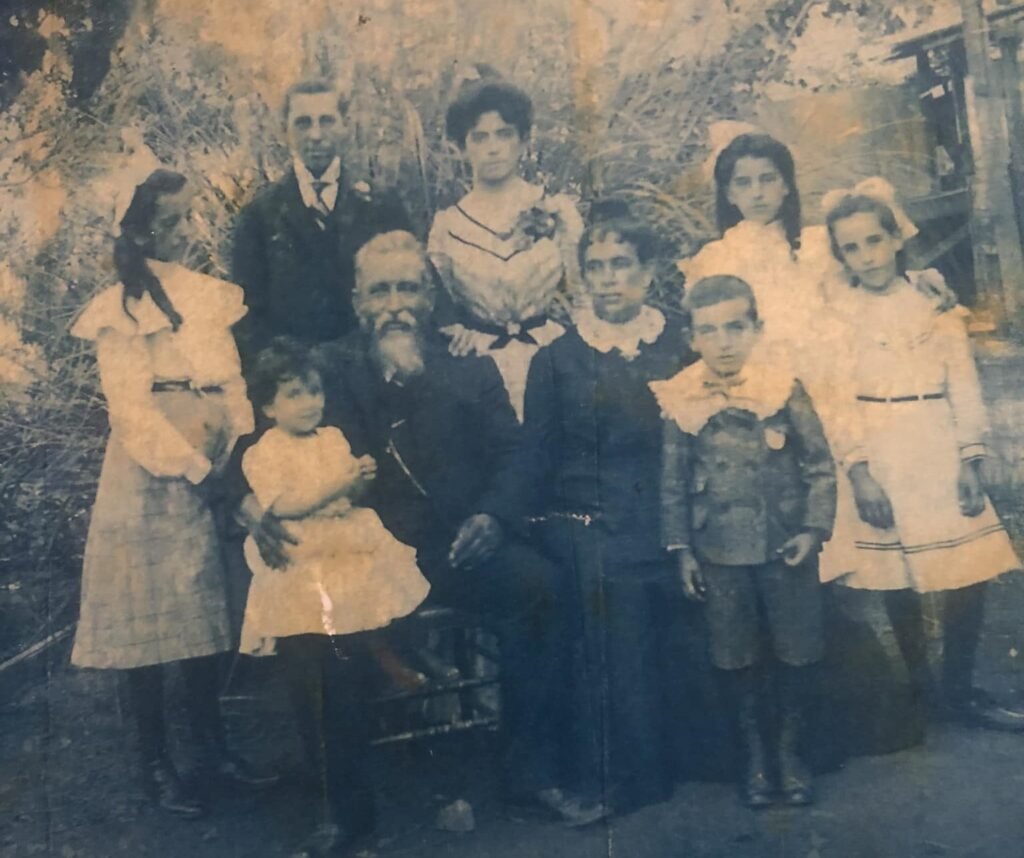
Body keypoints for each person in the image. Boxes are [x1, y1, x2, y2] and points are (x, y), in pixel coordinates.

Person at [242, 230, 604, 856]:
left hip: (454, 549)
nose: (395, 303)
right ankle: (345, 810)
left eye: (408, 287)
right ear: (357, 299)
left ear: (429, 296)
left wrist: (494, 516)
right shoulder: (323, 368)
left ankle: (529, 774)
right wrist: (247, 505)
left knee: (541, 588)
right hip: (361, 557)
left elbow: (516, 454)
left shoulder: (466, 364)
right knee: (316, 627)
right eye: (379, 289)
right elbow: (254, 446)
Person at [69, 169, 275, 820]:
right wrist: (192, 467)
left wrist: (238, 445)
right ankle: (156, 765)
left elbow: (229, 381)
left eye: (192, 218)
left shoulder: (210, 296)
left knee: (201, 618)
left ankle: (213, 752)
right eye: (173, 220)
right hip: (148, 477)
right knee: (148, 623)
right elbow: (131, 413)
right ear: (143, 228)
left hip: (211, 468)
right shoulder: (119, 309)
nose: (187, 231)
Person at [819, 182, 1024, 732]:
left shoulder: (935, 306)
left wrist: (969, 460)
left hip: (934, 438)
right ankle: (920, 686)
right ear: (840, 257)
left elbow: (963, 384)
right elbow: (836, 398)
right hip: (879, 446)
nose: (867, 256)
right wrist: (859, 471)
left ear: (895, 239)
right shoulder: (837, 317)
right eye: (852, 248)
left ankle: (957, 685)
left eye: (875, 241)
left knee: (968, 566)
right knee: (898, 570)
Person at [523, 204, 703, 815]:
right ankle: (626, 772)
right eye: (595, 267)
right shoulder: (557, 359)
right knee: (610, 585)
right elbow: (536, 457)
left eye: (621, 264)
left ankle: (711, 755)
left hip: (668, 507)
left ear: (649, 272)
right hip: (586, 513)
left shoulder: (680, 343)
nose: (608, 279)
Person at [651, 275, 836, 808]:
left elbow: (820, 467)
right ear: (692, 338)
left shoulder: (781, 386)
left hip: (783, 544)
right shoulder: (682, 395)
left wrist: (811, 529)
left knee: (797, 649)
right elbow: (672, 481)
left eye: (736, 327)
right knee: (735, 655)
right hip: (719, 550)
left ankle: (791, 751)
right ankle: (756, 758)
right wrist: (681, 549)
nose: (724, 341)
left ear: (757, 329)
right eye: (709, 331)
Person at [238, 336, 429, 655]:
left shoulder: (331, 437)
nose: (309, 403)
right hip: (306, 542)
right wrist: (339, 485)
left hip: (342, 532)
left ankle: (396, 655)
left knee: (378, 583)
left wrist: (359, 479)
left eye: (315, 392)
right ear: (269, 407)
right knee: (322, 606)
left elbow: (348, 497)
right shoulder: (266, 450)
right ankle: (333, 663)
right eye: (294, 395)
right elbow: (284, 506)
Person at [427, 67, 584, 421]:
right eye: (479, 137)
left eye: (504, 134)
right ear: (461, 147)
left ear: (523, 141)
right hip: (480, 365)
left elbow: (580, 296)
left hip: (551, 356)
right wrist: (458, 334)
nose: (493, 148)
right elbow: (440, 309)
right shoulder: (447, 226)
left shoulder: (555, 211)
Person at [231, 78, 412, 360]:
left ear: (344, 126)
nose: (315, 135)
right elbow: (248, 317)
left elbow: (411, 287)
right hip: (297, 376)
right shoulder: (258, 217)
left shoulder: (381, 206)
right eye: (303, 123)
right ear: (284, 131)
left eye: (326, 121)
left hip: (371, 367)